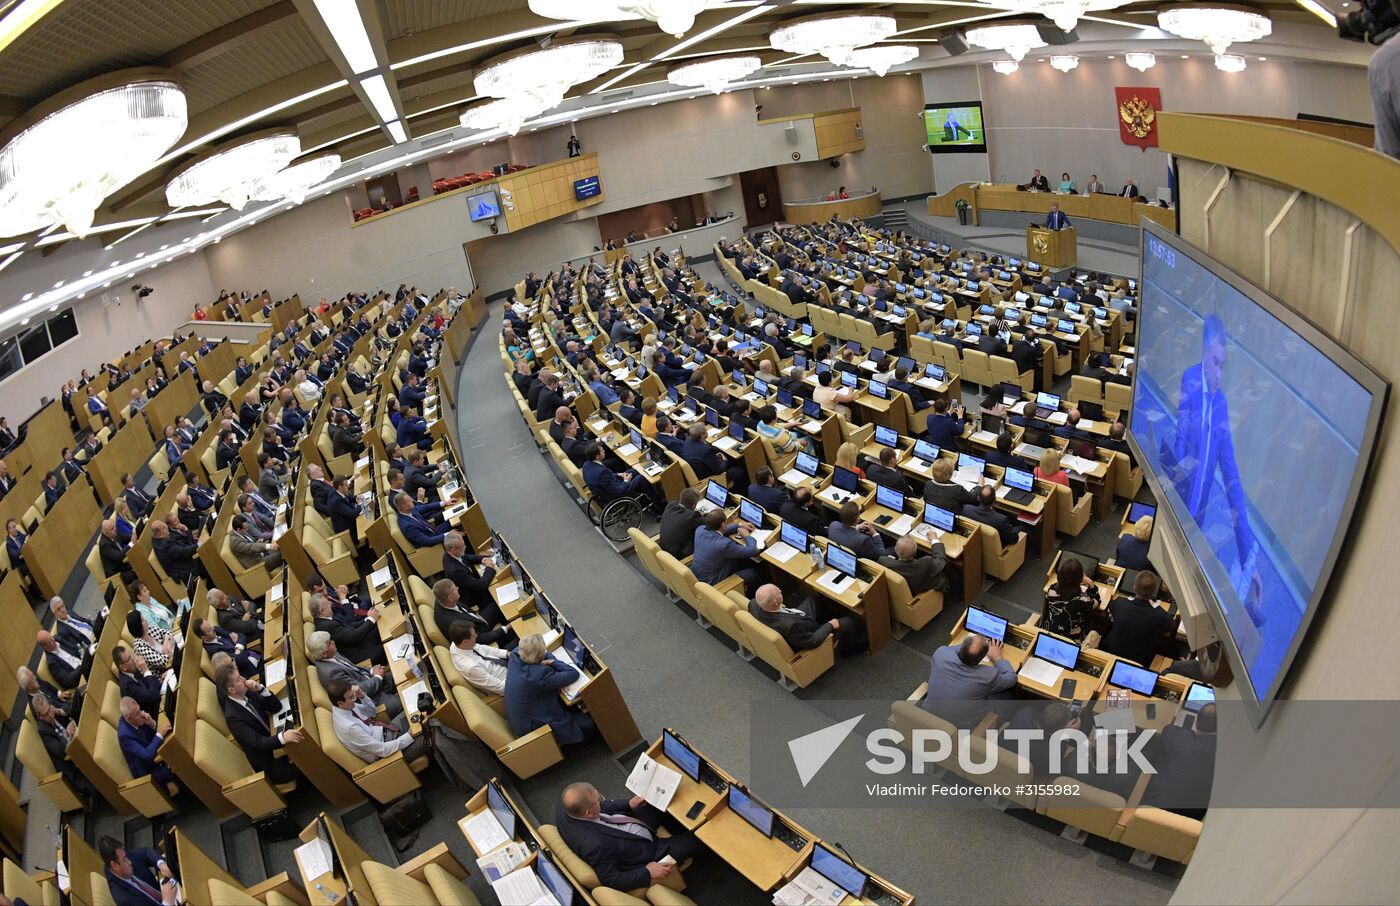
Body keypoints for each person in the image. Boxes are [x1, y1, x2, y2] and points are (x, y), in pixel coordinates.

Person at [1152, 314, 1262, 622]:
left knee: (1188, 575)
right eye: (1215, 363)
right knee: (1169, 561)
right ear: (1203, 352)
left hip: (1197, 512)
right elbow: (1181, 434)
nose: (1219, 374)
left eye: (1223, 366)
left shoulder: (1221, 405)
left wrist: (1247, 555)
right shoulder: (1189, 378)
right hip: (1178, 499)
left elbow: (1232, 479)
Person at [556, 781, 704, 891]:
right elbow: (612, 880)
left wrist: (629, 804)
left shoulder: (566, 808)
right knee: (698, 839)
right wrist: (647, 872)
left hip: (631, 825)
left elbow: (602, 808)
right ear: (588, 813)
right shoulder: (595, 846)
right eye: (598, 800)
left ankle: (677, 828)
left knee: (655, 801)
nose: (601, 800)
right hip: (649, 851)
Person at [219, 664, 303, 784]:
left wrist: (261, 689)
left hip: (274, 737)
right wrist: (283, 738)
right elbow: (258, 742)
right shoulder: (233, 717)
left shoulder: (246, 692)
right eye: (238, 679)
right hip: (269, 761)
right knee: (307, 760)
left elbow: (276, 707)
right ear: (232, 690)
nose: (244, 679)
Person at [505, 634, 594, 745]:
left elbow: (546, 655)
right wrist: (552, 662)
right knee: (590, 722)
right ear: (539, 658)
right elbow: (573, 674)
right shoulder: (537, 676)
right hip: (534, 729)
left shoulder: (515, 655)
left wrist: (544, 660)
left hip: (521, 718)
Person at [923, 633, 1017, 727]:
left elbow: (954, 649)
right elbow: (1011, 678)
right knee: (1008, 696)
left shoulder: (941, 653)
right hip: (962, 726)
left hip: (929, 714)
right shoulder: (987, 676)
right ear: (981, 658)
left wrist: (971, 644)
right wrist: (997, 657)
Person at [327, 677, 424, 764]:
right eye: (351, 697)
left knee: (418, 709)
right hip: (387, 754)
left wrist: (361, 695)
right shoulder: (349, 727)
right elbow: (383, 750)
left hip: (386, 731)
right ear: (340, 703)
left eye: (353, 694)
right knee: (428, 734)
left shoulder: (345, 706)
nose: (354, 698)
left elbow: (372, 712)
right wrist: (409, 735)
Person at [749, 583, 861, 653]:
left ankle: (829, 615)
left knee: (813, 599)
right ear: (775, 602)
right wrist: (830, 625)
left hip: (797, 619)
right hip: (807, 633)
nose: (781, 591)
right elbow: (811, 641)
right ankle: (850, 649)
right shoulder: (791, 625)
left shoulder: (754, 604)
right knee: (851, 621)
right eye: (779, 593)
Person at [1101, 570, 1176, 665]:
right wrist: (1156, 606)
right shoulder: (1158, 615)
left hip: (1110, 653)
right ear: (1153, 592)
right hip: (1138, 661)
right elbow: (1172, 625)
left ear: (1134, 588)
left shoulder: (1120, 603)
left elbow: (1111, 606)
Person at [691, 509, 761, 594]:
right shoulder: (724, 545)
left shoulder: (700, 529)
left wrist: (740, 525)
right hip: (712, 583)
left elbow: (719, 531)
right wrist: (747, 536)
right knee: (753, 573)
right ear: (723, 524)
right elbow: (753, 551)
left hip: (698, 576)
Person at [99, 835, 180, 906]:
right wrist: (167, 902)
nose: (129, 861)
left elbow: (146, 852)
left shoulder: (121, 855)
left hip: (165, 890)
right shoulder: (124, 900)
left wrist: (161, 864)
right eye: (124, 860)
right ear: (115, 865)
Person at [442, 531, 504, 622]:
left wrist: (482, 559)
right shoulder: (454, 571)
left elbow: (465, 557)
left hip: (472, 582)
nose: (465, 547)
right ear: (453, 549)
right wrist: (490, 567)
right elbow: (481, 585)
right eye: (462, 546)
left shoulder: (448, 554)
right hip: (474, 595)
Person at [432, 577, 512, 647]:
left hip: (476, 621)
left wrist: (477, 616)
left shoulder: (441, 598)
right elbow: (481, 639)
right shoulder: (456, 624)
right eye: (455, 588)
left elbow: (465, 608)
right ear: (450, 598)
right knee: (513, 632)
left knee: (497, 605)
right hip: (480, 636)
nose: (457, 588)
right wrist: (506, 627)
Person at [117, 696, 177, 787]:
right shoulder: (125, 736)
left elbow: (151, 738)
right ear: (128, 718)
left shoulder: (135, 717)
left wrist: (152, 723)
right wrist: (160, 733)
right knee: (180, 765)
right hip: (150, 773)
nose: (141, 714)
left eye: (139, 710)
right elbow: (147, 755)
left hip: (157, 757)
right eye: (137, 713)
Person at [311, 593, 385, 665]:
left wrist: (369, 618)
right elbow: (354, 637)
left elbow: (349, 626)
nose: (330, 605)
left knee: (380, 626)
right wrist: (371, 619)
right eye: (328, 604)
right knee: (385, 648)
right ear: (323, 611)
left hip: (358, 642)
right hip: (359, 653)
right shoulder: (328, 627)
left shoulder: (324, 619)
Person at [1041, 555, 1098, 642]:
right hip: (1070, 641)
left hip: (1050, 634)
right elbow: (1097, 602)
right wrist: (1090, 583)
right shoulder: (1081, 601)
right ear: (1080, 579)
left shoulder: (1052, 590)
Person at [448, 620, 510, 695]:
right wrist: (515, 670)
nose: (476, 636)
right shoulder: (471, 668)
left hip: (505, 664)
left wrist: (507, 654)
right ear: (465, 642)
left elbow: (484, 649)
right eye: (474, 635)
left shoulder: (457, 644)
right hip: (508, 679)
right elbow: (502, 688)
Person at [878, 534, 950, 596]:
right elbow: (941, 560)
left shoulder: (884, 561)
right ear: (916, 551)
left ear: (895, 550)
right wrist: (934, 539)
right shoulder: (926, 563)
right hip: (921, 589)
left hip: (901, 593)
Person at [658, 487, 704, 559]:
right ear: (694, 506)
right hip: (678, 555)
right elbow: (707, 521)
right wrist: (701, 513)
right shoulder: (692, 517)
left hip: (664, 548)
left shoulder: (670, 505)